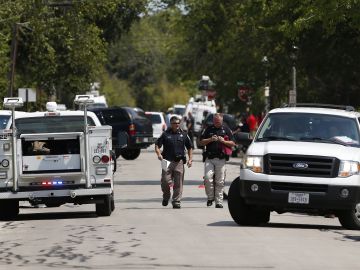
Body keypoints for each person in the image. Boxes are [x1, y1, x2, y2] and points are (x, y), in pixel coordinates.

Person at [155, 116, 193, 209]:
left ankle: (176, 201)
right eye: (174, 123)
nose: (176, 125)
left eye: (178, 123)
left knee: (178, 182)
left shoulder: (184, 134)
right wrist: (158, 154)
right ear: (170, 124)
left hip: (179, 161)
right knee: (164, 181)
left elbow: (190, 147)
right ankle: (166, 196)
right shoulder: (165, 134)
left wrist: (190, 159)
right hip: (165, 160)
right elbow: (157, 145)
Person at [200, 113, 235, 208]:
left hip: (221, 158)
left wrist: (223, 141)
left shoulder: (226, 129)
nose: (216, 123)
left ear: (222, 120)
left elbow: (233, 143)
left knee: (220, 181)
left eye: (218, 121)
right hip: (210, 158)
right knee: (207, 178)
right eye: (215, 121)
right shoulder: (209, 129)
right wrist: (210, 139)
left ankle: (218, 201)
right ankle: (210, 197)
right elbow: (201, 141)